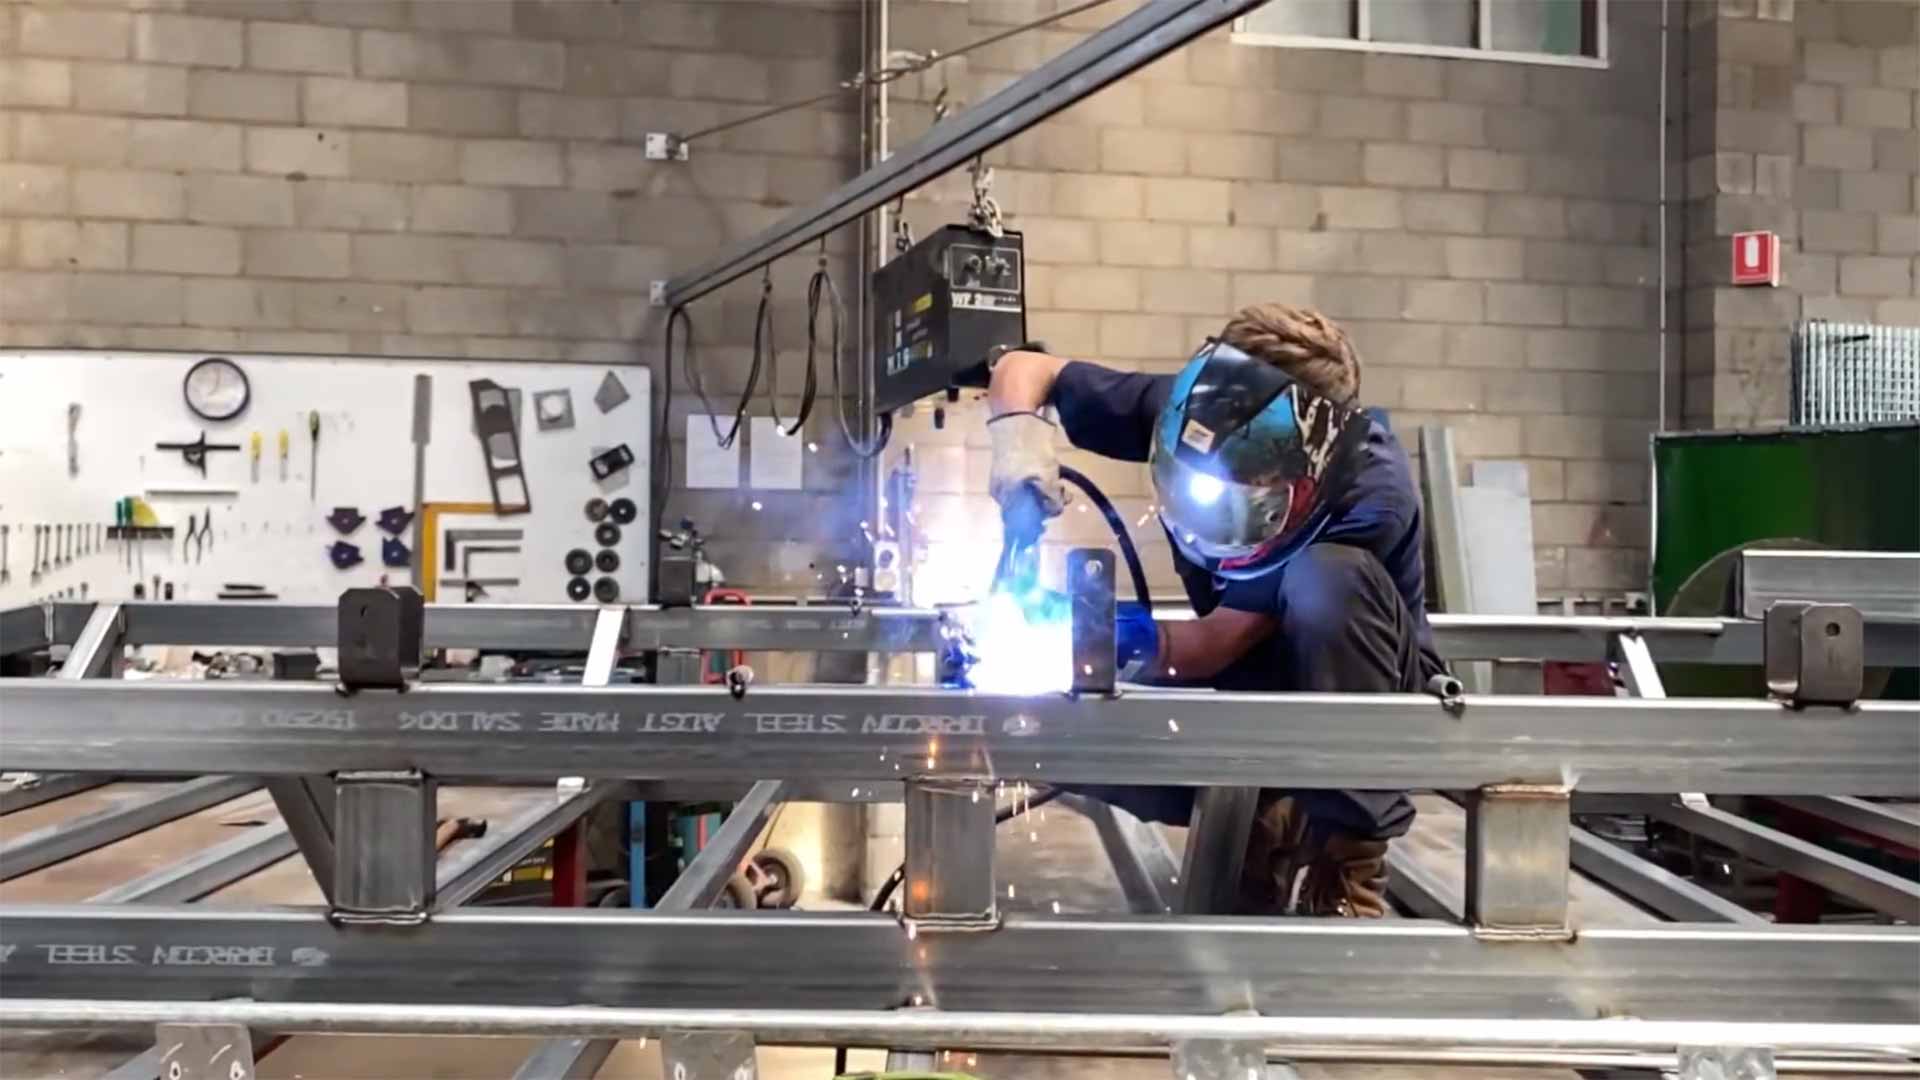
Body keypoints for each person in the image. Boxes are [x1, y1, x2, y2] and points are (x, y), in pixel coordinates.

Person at [985, 302, 1447, 918]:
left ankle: (1347, 855)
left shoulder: (1369, 491)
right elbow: (1024, 368)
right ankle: (1272, 816)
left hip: (1358, 698)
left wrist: (1105, 638)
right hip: (1247, 673)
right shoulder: (1202, 409)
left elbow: (1212, 644)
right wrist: (1019, 454)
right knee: (1073, 727)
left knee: (1325, 579)